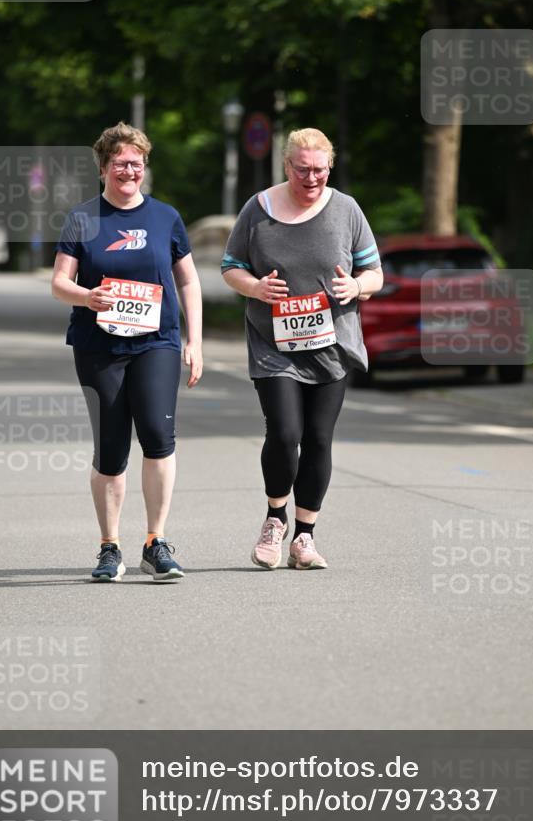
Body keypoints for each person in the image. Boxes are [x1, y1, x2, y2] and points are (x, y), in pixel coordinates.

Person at [221, 127, 383, 570]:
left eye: (319, 170)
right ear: (286, 166)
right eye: (302, 169)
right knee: (285, 432)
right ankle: (275, 519)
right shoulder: (259, 209)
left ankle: (305, 536)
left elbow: (374, 272)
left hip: (331, 346)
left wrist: (356, 285)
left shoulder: (346, 210)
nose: (311, 178)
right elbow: (230, 266)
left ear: (330, 167)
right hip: (274, 345)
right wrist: (255, 287)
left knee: (317, 439)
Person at [51, 121, 202, 582]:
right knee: (112, 448)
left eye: (136, 162)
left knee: (158, 436)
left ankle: (156, 542)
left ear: (145, 167)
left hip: (156, 342)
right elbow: (60, 283)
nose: (129, 169)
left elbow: (188, 280)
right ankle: (109, 546)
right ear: (103, 168)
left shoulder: (165, 218)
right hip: (100, 347)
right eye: (120, 162)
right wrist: (86, 297)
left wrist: (195, 341)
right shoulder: (82, 218)